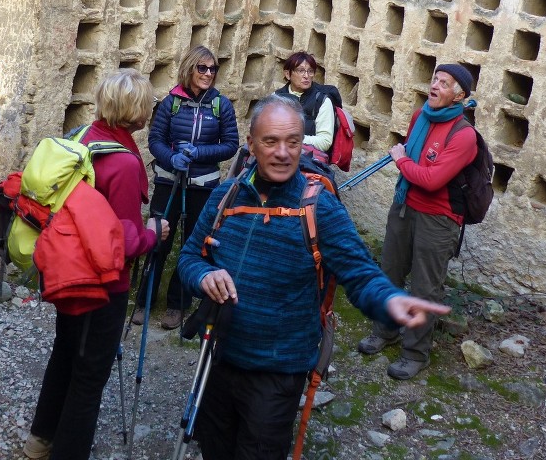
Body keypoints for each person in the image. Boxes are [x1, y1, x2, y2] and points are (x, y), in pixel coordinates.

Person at [177, 94, 449, 460]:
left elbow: (360, 273)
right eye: (271, 142)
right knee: (215, 449)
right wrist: (204, 276)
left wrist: (389, 300)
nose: (283, 152)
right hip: (218, 357)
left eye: (293, 141)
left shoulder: (317, 205)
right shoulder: (226, 196)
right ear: (251, 144)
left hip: (278, 369)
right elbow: (191, 257)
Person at [24, 69, 168, 460]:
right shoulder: (122, 165)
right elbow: (118, 242)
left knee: (65, 354)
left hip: (69, 270)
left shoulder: (84, 139)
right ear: (136, 111)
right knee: (89, 377)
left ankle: (41, 440)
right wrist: (154, 233)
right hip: (102, 285)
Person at [357, 63, 478, 380]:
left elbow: (431, 179)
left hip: (438, 218)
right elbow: (414, 165)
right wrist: (406, 162)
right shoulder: (419, 116)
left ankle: (415, 353)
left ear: (459, 95)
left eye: (444, 82)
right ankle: (385, 331)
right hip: (404, 206)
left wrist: (401, 159)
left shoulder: (464, 136)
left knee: (425, 288)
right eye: (434, 79)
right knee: (390, 272)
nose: (435, 85)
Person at [141, 45, 238, 330]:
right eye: (202, 68)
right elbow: (155, 139)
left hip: (203, 185)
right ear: (190, 68)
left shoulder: (221, 105)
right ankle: (146, 299)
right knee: (158, 240)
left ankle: (177, 304)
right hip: (168, 181)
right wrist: (172, 157)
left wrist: (198, 153)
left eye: (213, 69)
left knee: (191, 245)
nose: (208, 74)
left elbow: (230, 145)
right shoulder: (172, 102)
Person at [275, 52, 334, 163]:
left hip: (309, 160)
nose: (306, 76)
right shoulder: (276, 98)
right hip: (278, 154)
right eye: (301, 70)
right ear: (288, 74)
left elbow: (325, 141)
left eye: (310, 71)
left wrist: (293, 139)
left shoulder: (322, 101)